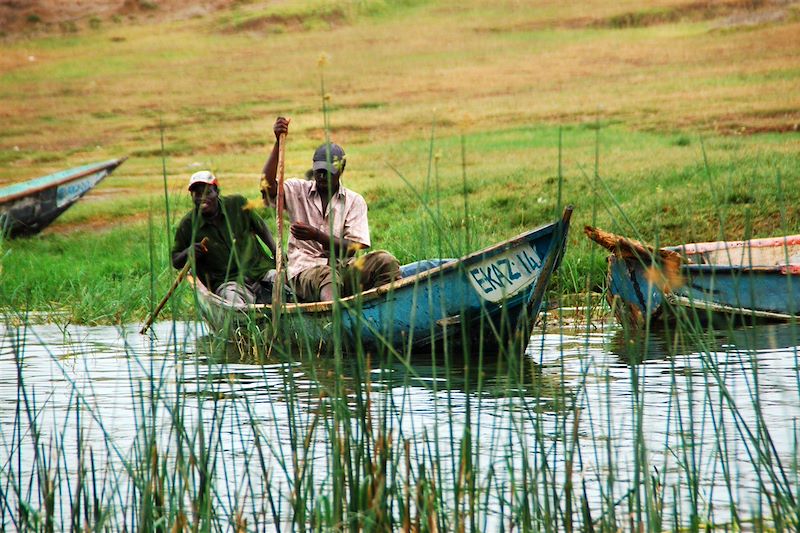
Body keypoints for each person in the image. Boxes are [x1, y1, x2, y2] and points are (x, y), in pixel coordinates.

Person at [260, 117, 400, 302]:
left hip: (342, 268)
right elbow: (267, 186)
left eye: (329, 171)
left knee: (385, 261)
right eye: (319, 170)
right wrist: (278, 142)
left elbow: (351, 249)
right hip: (306, 270)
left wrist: (317, 235)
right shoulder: (297, 190)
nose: (322, 175)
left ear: (341, 170)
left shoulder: (354, 201)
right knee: (329, 278)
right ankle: (333, 323)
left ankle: (383, 311)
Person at [172, 170, 277, 306]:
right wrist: (189, 252)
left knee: (283, 282)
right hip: (229, 283)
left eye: (208, 192)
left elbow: (260, 227)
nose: (202, 198)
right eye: (197, 194)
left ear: (217, 192)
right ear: (192, 196)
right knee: (235, 305)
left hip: (259, 272)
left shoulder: (238, 204)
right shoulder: (187, 225)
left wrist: (276, 251)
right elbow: (175, 261)